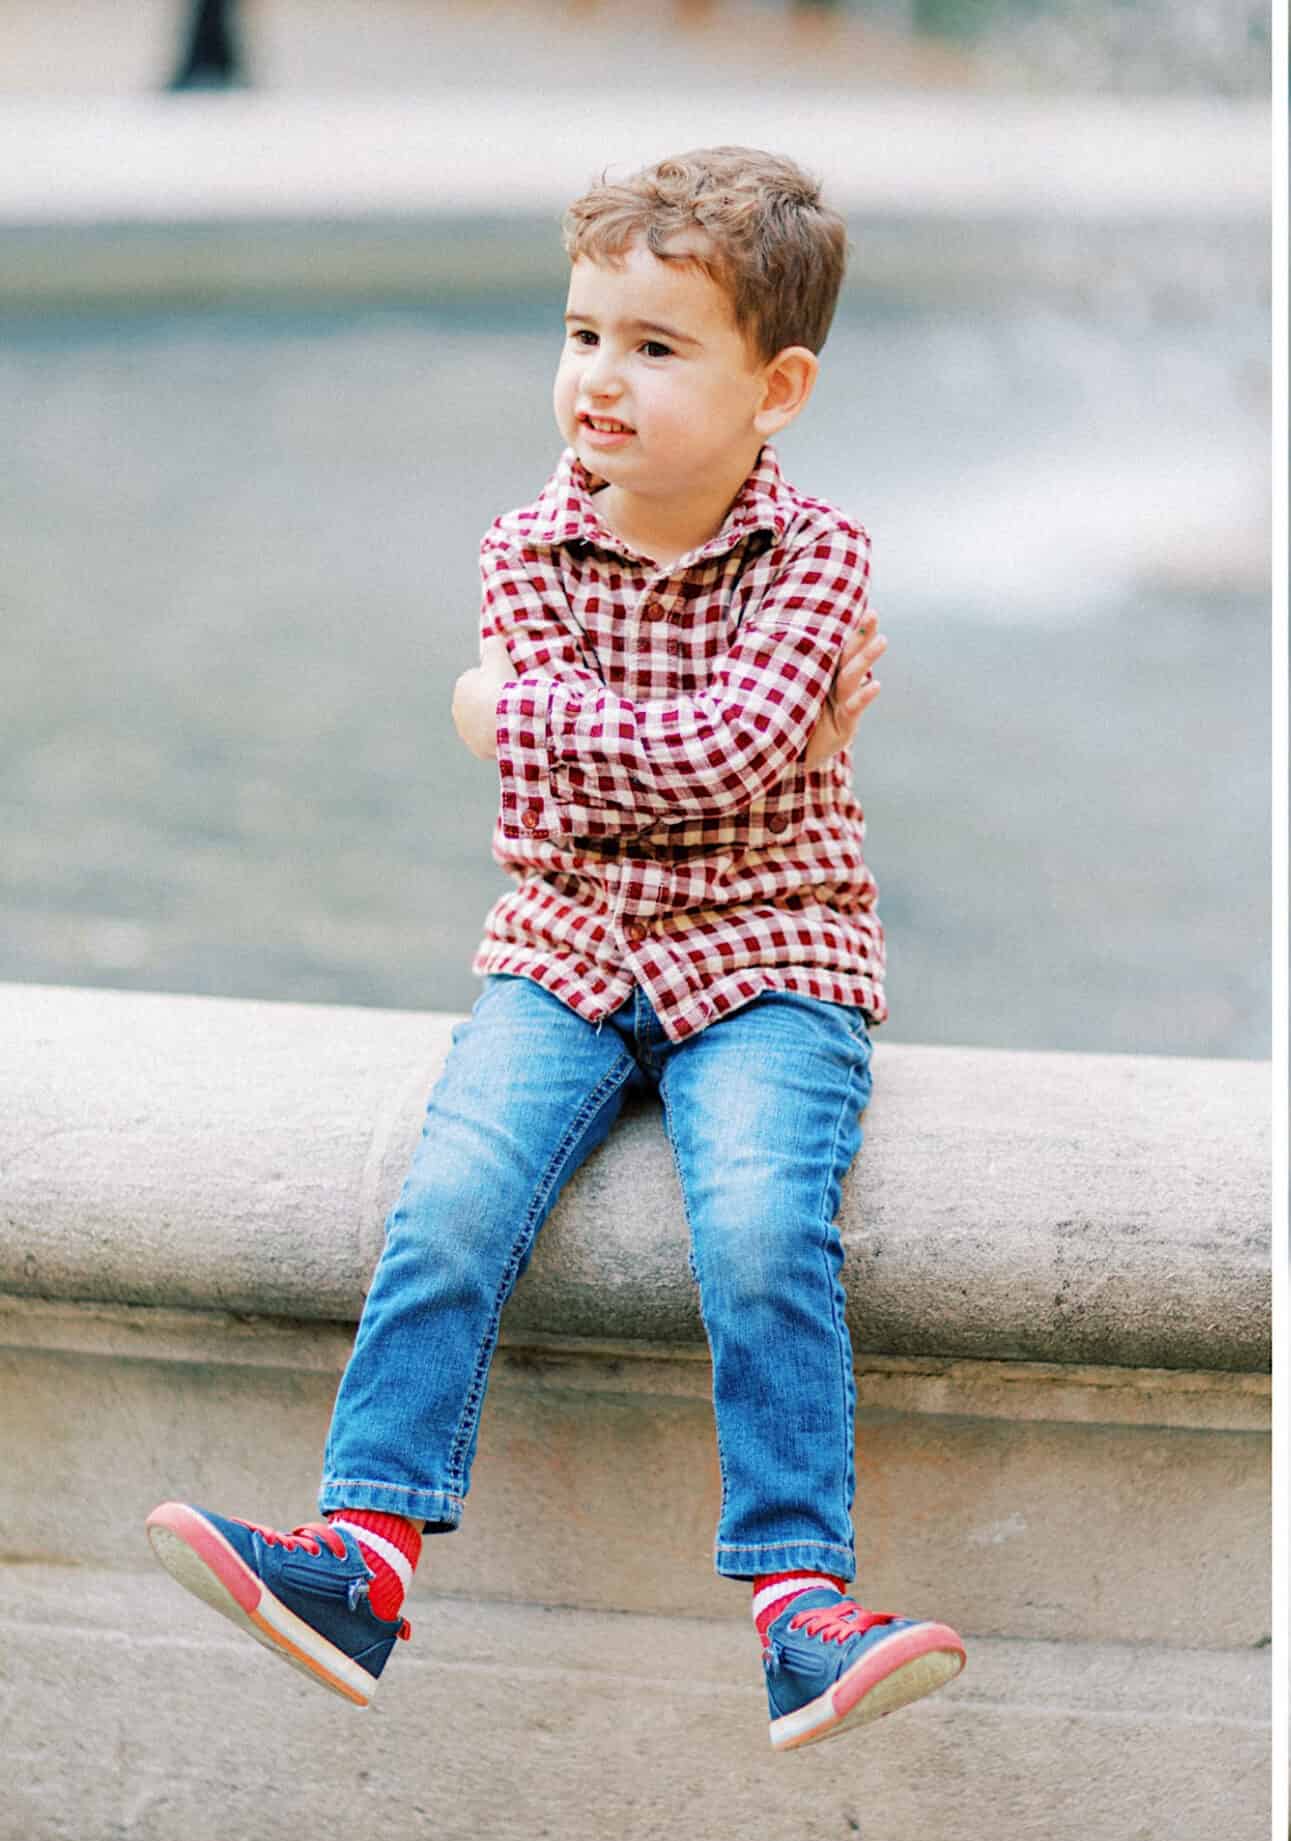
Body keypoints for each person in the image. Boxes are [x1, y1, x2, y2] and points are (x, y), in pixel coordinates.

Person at [145, 146, 966, 1753]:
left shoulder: (823, 561)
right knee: (449, 1200)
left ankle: (802, 1605)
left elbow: (722, 760)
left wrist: (503, 717)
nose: (602, 378)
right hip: (569, 946)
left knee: (757, 1234)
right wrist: (625, 747)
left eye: (658, 350)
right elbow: (665, 774)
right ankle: (361, 1558)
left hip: (773, 959)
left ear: (776, 388)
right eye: (586, 334)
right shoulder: (526, 547)